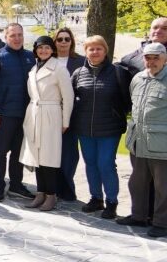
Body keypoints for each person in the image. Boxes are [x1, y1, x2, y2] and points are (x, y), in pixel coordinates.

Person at [71, 35, 130, 219]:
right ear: (86, 52)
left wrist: (116, 114)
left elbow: (127, 101)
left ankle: (111, 201)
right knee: (90, 164)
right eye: (91, 49)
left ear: (105, 51)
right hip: (85, 128)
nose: (95, 52)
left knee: (106, 164)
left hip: (109, 129)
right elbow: (72, 99)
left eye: (99, 48)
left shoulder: (118, 72)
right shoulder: (78, 73)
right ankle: (96, 198)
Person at [118, 17, 167, 227]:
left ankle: (160, 222)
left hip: (161, 143)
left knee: (162, 187)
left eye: (156, 58)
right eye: (148, 58)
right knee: (137, 183)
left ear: (164, 59)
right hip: (138, 141)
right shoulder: (138, 79)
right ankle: (138, 216)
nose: (152, 61)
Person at [20, 36, 74, 212]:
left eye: (47, 48)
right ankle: (40, 193)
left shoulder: (58, 68)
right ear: (35, 50)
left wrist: (65, 120)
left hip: (51, 115)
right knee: (37, 157)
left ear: (53, 50)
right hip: (34, 114)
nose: (44, 51)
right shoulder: (34, 68)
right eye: (40, 48)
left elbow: (68, 96)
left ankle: (51, 195)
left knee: (49, 158)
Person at [0, 23, 36, 202]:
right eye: (13, 35)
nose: (17, 38)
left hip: (25, 115)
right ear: (5, 37)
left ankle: (16, 184)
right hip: (4, 115)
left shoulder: (31, 57)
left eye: (20, 35)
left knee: (18, 152)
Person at [52, 27, 84, 202]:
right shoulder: (47, 60)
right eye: (60, 39)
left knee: (69, 154)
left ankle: (67, 188)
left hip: (72, 115)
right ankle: (53, 187)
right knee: (52, 153)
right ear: (54, 42)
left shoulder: (81, 61)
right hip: (50, 113)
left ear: (71, 41)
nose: (63, 42)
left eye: (67, 39)